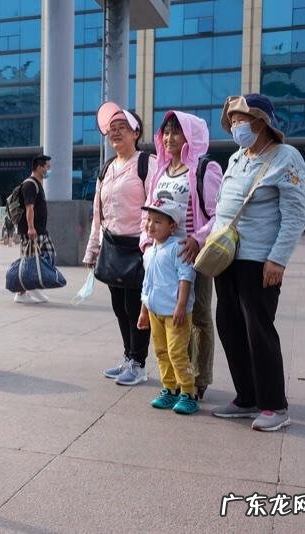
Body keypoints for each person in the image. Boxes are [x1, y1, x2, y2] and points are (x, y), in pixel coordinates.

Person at [211, 94, 305, 432]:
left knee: (258, 329)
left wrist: (277, 259)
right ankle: (246, 396)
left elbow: (295, 216)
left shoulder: (286, 157)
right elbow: (224, 207)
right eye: (233, 120)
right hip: (226, 257)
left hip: (260, 260)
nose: (236, 125)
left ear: (261, 122)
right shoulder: (236, 158)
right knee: (229, 325)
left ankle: (274, 405)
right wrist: (202, 239)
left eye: (242, 119)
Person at [143, 110, 222, 399]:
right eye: (166, 132)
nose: (170, 138)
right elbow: (150, 210)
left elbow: (218, 215)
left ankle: (199, 380)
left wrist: (197, 239)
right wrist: (147, 243)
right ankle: (178, 377)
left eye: (177, 132)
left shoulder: (205, 169)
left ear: (190, 136)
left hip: (193, 254)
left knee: (198, 316)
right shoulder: (161, 170)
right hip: (163, 255)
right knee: (170, 315)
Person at [84, 102, 155, 386]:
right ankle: (128, 356)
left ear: (135, 132)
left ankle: (138, 362)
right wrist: (93, 249)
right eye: (112, 130)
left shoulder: (145, 163)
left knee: (134, 306)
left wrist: (150, 244)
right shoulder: (107, 168)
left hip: (138, 246)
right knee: (117, 305)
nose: (115, 134)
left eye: (122, 128)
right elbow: (97, 214)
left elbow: (153, 205)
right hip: (112, 246)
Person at [137, 199, 199, 415]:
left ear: (172, 226)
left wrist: (181, 305)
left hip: (175, 313)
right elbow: (148, 282)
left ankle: (189, 392)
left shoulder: (178, 247)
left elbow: (186, 277)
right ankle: (169, 388)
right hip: (155, 311)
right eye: (148, 220)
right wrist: (144, 310)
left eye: (158, 221)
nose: (150, 226)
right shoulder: (150, 250)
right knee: (162, 351)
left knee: (177, 352)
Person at [13, 154, 54, 304]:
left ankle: (33, 286)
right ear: (39, 167)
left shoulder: (38, 184)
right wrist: (31, 228)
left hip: (40, 230)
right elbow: (29, 208)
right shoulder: (30, 184)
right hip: (31, 232)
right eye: (46, 167)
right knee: (29, 261)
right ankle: (21, 293)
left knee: (47, 255)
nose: (48, 171)